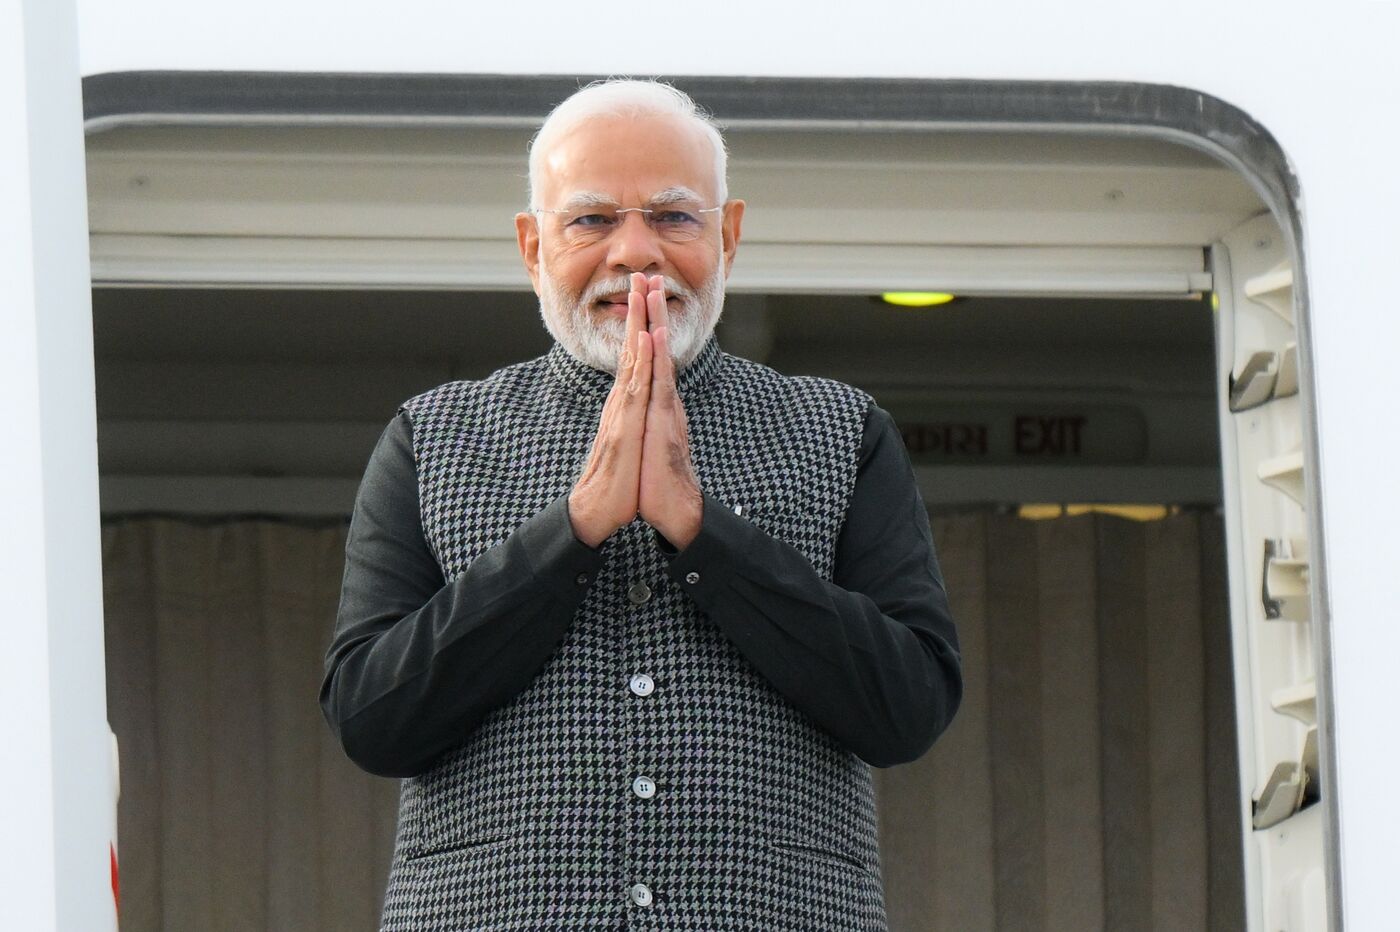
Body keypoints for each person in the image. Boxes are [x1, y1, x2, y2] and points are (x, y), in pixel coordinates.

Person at [320, 78, 962, 931]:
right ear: (532, 246)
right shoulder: (434, 437)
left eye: (673, 216)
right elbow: (371, 717)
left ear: (728, 237)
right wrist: (575, 529)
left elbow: (909, 706)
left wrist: (702, 533)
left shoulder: (842, 432)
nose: (635, 253)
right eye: (591, 220)